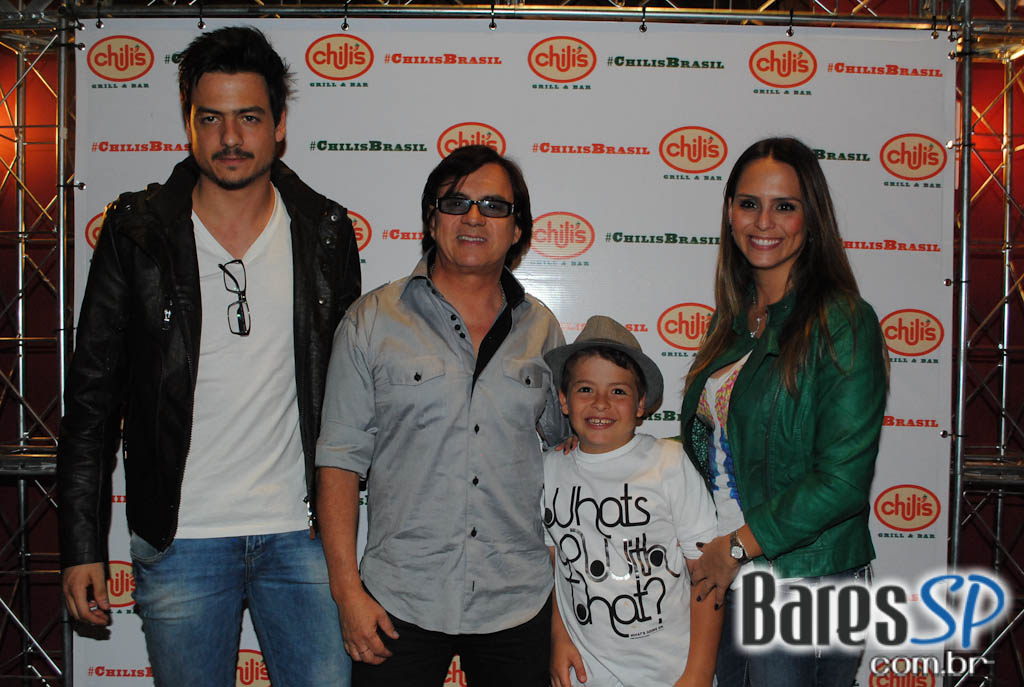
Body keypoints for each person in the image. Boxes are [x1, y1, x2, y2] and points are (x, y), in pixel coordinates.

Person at [57, 26, 361, 686]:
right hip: (180, 539)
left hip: (304, 536)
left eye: (249, 117)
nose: (230, 137)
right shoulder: (137, 232)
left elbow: (350, 398)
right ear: (188, 122)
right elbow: (90, 402)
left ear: (279, 125)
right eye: (211, 118)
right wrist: (81, 545)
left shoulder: (326, 232)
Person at [316, 144, 570, 687]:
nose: (474, 217)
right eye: (456, 203)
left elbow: (568, 451)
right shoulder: (370, 321)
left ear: (517, 229)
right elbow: (338, 460)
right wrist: (346, 591)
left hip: (517, 598)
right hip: (398, 597)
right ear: (432, 221)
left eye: (494, 206)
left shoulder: (543, 330)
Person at [681, 137, 887, 687]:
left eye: (785, 206)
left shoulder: (842, 322)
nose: (763, 222)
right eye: (749, 204)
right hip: (731, 574)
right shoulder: (730, 323)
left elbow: (842, 482)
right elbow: (721, 447)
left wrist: (737, 547)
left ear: (811, 218)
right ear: (730, 213)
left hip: (805, 578)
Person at [543, 316, 721, 687]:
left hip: (670, 673)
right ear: (563, 399)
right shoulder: (549, 469)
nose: (601, 404)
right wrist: (559, 637)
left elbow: (707, 574)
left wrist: (699, 673)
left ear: (641, 404)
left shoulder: (670, 463)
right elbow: (559, 565)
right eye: (586, 389)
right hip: (585, 674)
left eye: (618, 392)